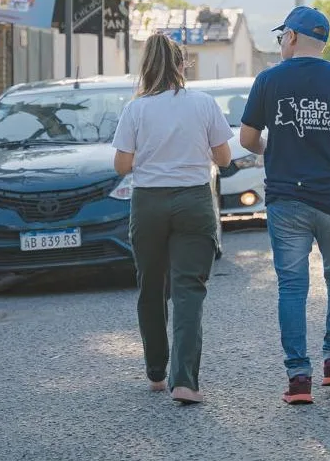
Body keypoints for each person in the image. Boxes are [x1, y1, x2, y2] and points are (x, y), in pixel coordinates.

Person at [239, 6, 330, 405]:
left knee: (292, 286)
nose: (280, 42)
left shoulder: (267, 80)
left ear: (292, 37)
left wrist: (272, 149)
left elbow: (248, 140)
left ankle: (298, 378)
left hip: (286, 199)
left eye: (281, 36)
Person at [112, 32, 232, 404]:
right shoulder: (203, 103)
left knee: (151, 286)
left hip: (148, 203)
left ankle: (154, 373)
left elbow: (122, 166)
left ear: (146, 67)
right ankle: (185, 382)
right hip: (193, 200)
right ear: (182, 65)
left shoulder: (135, 109)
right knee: (188, 289)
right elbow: (225, 158)